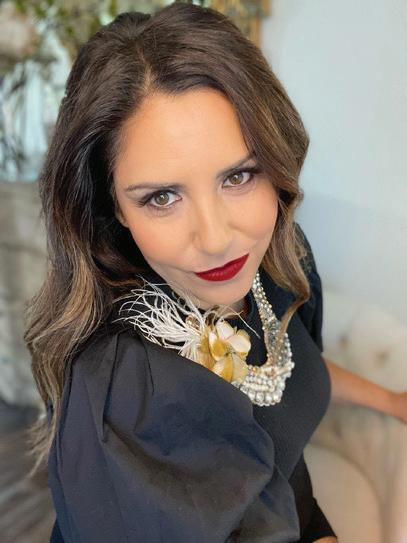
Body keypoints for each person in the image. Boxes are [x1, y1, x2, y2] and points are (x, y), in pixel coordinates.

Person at [23, 3, 406, 542]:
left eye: (239, 176)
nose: (216, 238)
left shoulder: (275, 261)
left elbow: (285, 364)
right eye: (162, 197)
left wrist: (391, 401)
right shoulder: (128, 390)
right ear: (113, 207)